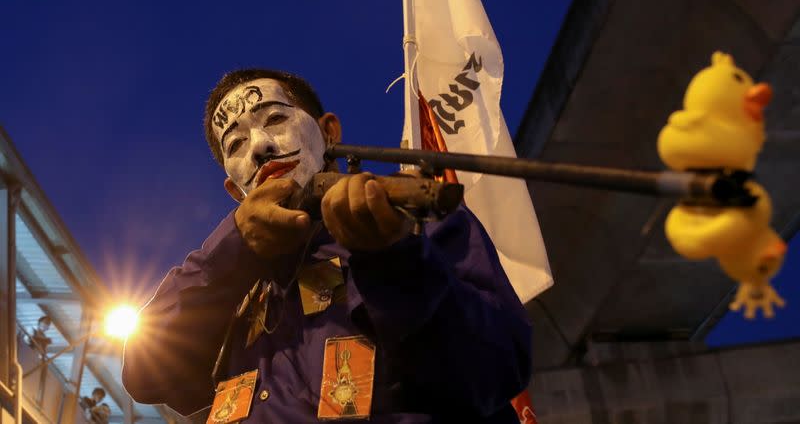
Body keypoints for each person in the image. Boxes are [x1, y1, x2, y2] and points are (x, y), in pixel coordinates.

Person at [122, 69, 532, 422]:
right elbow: (144, 372)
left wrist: (395, 261)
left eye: (277, 119)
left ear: (328, 130)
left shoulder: (415, 223)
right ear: (233, 189)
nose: (261, 147)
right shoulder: (234, 290)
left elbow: (495, 369)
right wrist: (234, 247)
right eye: (236, 145)